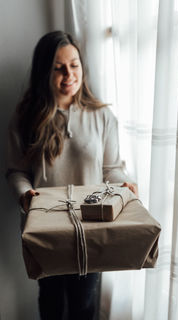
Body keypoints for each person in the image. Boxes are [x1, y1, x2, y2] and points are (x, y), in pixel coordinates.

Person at [6, 31, 138, 320]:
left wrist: (123, 185)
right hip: (45, 229)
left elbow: (111, 168)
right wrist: (25, 194)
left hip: (90, 230)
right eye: (59, 67)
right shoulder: (25, 117)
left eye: (74, 65)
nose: (69, 74)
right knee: (50, 301)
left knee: (84, 304)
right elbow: (17, 171)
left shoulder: (103, 117)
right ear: (44, 71)